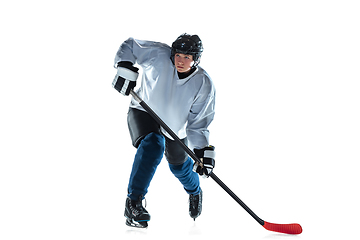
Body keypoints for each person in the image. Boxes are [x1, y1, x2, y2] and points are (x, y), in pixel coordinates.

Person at [113, 33, 216, 228]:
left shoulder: (203, 83)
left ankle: (195, 192)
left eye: (187, 57)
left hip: (175, 128)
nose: (181, 61)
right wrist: (124, 66)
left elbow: (198, 124)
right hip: (143, 110)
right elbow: (131, 46)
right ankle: (133, 203)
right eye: (178, 55)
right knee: (153, 144)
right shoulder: (158, 54)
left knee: (180, 168)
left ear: (196, 59)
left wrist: (201, 152)